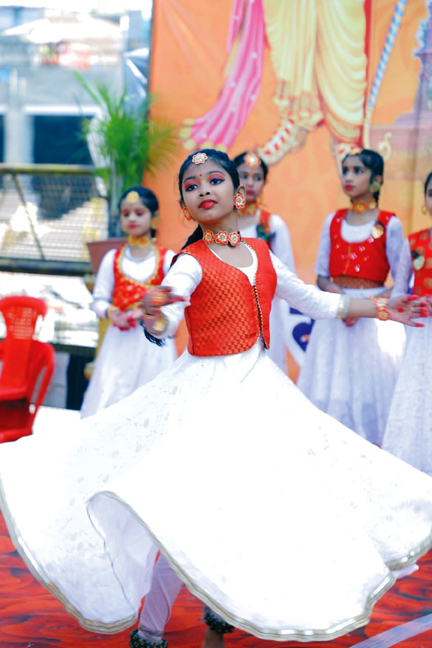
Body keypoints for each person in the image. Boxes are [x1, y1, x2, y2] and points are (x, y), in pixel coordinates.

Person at [0, 150, 431, 648]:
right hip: (204, 404)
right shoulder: (189, 261)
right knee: (186, 519)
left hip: (263, 402)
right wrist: (157, 313)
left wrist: (382, 307)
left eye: (214, 179)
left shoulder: (264, 255)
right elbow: (172, 303)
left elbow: (317, 301)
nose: (203, 189)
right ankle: (151, 631)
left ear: (238, 192)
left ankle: (216, 625)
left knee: (256, 513)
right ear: (185, 206)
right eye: (192, 185)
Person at [297, 148, 406, 446]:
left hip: (372, 320)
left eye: (358, 171)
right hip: (336, 315)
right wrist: (338, 299)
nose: (348, 176)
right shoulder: (332, 221)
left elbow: (401, 280)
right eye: (345, 170)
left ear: (377, 180)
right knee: (331, 386)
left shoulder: (389, 224)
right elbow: (321, 274)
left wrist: (365, 307)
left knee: (372, 389)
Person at [80, 186, 177, 418]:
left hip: (153, 342)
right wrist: (113, 313)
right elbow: (99, 300)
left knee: (151, 403)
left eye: (139, 212)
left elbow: (175, 299)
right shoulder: (111, 258)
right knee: (110, 401)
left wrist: (147, 312)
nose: (132, 218)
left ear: (154, 218)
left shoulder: (168, 258)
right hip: (118, 341)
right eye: (126, 213)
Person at [233, 150, 308, 370]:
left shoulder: (273, 225)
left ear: (264, 183)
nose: (250, 182)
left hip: (264, 313)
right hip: (226, 310)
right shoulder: (219, 224)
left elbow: (288, 276)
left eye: (257, 178)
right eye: (244, 175)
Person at [382, 172, 432, 473]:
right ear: (425, 200)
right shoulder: (412, 243)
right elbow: (399, 290)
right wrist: (412, 303)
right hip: (421, 334)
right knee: (419, 392)